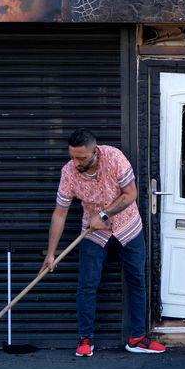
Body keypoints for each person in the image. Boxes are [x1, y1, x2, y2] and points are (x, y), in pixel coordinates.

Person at [41, 128, 165, 356]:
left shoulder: (114, 157)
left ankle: (137, 338)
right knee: (87, 284)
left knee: (136, 279)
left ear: (95, 152)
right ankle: (85, 339)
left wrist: (105, 215)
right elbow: (60, 214)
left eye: (81, 157)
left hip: (128, 227)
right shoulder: (69, 173)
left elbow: (130, 194)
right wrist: (51, 254)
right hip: (93, 231)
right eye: (72, 156)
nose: (75, 162)